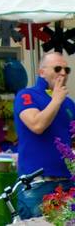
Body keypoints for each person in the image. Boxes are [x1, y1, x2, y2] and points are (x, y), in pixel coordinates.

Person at [14, 52, 75, 219]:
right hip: (39, 183)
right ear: (41, 72)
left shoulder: (68, 103)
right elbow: (37, 125)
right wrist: (55, 100)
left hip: (66, 182)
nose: (63, 73)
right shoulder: (27, 95)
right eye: (57, 68)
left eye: (66, 69)